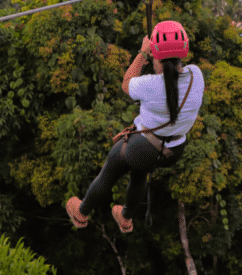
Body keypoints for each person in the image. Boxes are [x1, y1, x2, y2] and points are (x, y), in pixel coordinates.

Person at [65, 20, 205, 233]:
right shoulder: (196, 75)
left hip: (143, 146)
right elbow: (172, 81)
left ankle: (81, 212)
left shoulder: (149, 85)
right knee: (140, 171)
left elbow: (126, 83)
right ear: (183, 52)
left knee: (110, 172)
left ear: (155, 54)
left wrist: (142, 53)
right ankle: (126, 217)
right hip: (174, 150)